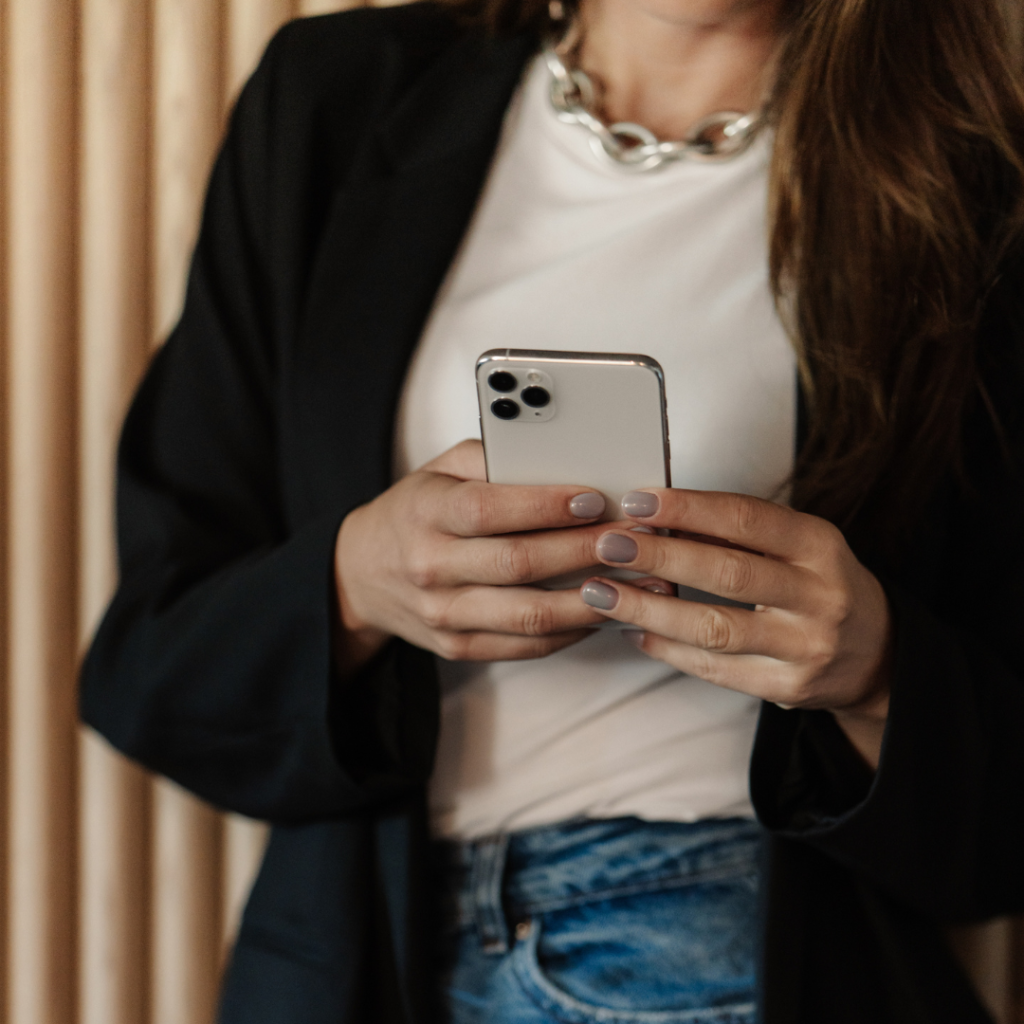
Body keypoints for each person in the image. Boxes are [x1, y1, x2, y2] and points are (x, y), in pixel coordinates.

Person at [80, 0, 1024, 1020]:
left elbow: (1000, 839)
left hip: (724, 942)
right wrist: (353, 587)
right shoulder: (336, 97)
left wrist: (877, 676)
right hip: (352, 955)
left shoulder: (977, 182)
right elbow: (149, 667)